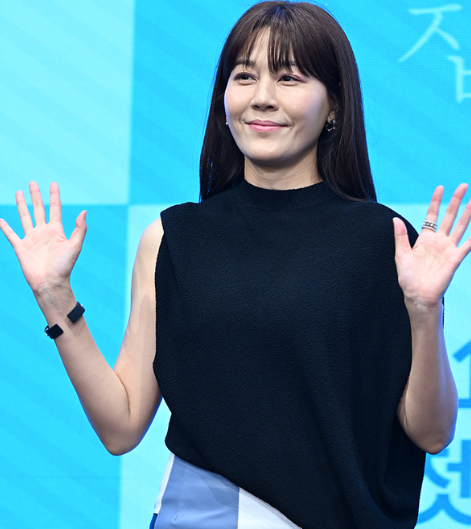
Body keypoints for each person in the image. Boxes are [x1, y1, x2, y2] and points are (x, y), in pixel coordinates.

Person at [1, 1, 470, 528]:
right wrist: (55, 296)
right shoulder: (173, 238)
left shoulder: (385, 243)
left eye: (289, 78)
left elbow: (432, 433)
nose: (262, 97)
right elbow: (121, 425)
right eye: (244, 76)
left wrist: (425, 312)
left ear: (334, 106)